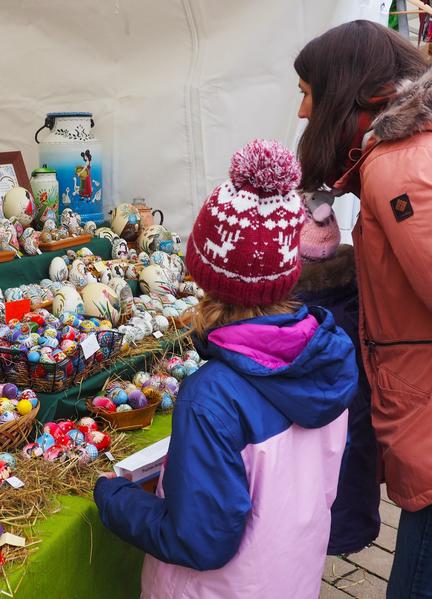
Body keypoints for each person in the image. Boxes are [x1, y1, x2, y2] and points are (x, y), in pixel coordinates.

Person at [93, 139, 358, 599]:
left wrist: (115, 499)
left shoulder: (211, 397)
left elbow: (199, 539)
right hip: (291, 578)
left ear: (203, 277)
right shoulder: (328, 356)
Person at [295, 20, 432, 597]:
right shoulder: (396, 154)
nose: (303, 112)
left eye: (307, 91)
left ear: (344, 89)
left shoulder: (395, 167)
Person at [294, 194, 380, 555]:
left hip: (310, 467)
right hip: (358, 423)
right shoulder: (360, 297)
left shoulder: (298, 317)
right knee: (352, 460)